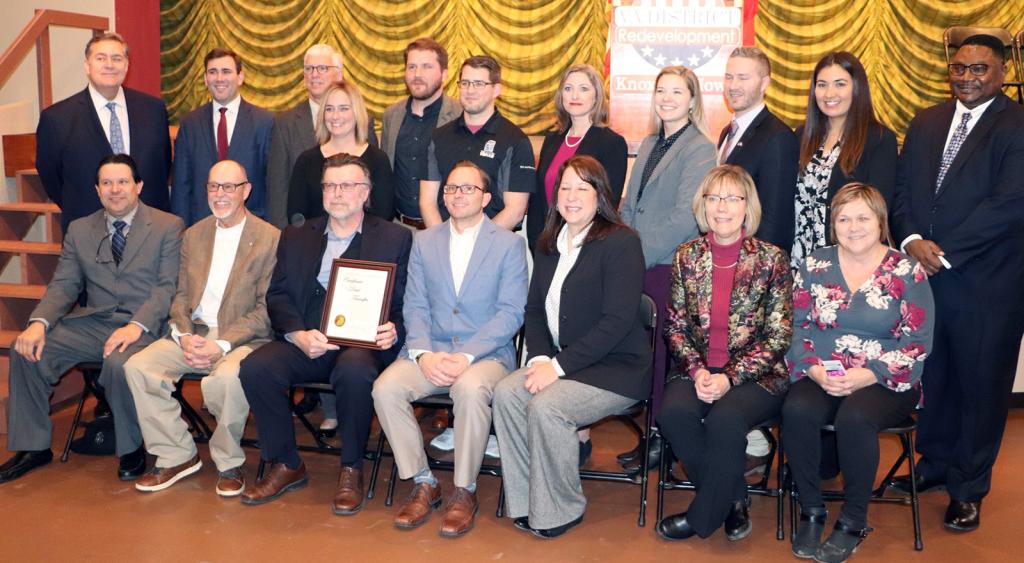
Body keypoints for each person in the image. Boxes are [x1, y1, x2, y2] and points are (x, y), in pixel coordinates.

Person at [889, 33, 1024, 533]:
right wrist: (910, 240)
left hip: (988, 286)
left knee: (980, 386)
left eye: (979, 69)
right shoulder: (926, 121)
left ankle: (969, 487)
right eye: (960, 68)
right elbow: (902, 190)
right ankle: (936, 465)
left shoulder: (1016, 124)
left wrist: (941, 252)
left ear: (1002, 71)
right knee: (938, 378)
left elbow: (1010, 205)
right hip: (926, 280)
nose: (967, 77)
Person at [237, 153, 411, 512]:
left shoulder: (395, 237)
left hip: (360, 345)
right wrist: (297, 333)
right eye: (330, 185)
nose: (337, 193)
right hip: (309, 340)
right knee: (256, 367)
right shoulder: (297, 234)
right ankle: (286, 462)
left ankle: (351, 467)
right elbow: (278, 295)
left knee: (355, 371)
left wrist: (394, 329)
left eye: (347, 185)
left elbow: (405, 300)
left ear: (365, 192)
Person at [492, 155, 651, 539]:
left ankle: (561, 507)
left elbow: (615, 324)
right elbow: (533, 311)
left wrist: (556, 368)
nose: (572, 196)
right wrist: (542, 358)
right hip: (565, 362)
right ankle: (528, 499)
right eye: (565, 187)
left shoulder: (621, 242)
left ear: (600, 196)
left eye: (583, 187)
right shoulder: (548, 243)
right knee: (507, 392)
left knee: (549, 406)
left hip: (617, 368)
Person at [0, 154, 183, 484]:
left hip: (146, 325)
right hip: (96, 322)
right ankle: (32, 447)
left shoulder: (168, 226)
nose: (115, 190)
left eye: (123, 182)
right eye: (107, 183)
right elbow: (65, 284)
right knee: (24, 349)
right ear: (97, 190)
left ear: (138, 186)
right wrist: (39, 322)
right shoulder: (80, 229)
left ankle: (131, 447)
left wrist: (134, 326)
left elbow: (167, 288)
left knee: (117, 362)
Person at [372, 161, 527, 538]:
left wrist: (466, 356)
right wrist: (424, 354)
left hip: (485, 355)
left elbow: (511, 313)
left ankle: (465, 490)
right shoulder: (424, 240)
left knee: (470, 389)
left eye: (468, 189)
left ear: (487, 198)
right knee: (385, 388)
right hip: (432, 349)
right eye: (451, 189)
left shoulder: (509, 245)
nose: (458, 195)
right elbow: (416, 306)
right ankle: (424, 481)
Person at [784, 183, 934, 562]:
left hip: (887, 377)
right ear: (832, 223)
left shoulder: (907, 270)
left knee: (855, 418)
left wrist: (870, 374)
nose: (853, 227)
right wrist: (815, 371)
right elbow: (796, 327)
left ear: (880, 221)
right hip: (823, 370)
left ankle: (853, 520)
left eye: (862, 217)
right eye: (843, 218)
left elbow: (917, 343)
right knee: (797, 410)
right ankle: (812, 510)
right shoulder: (814, 264)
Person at [655, 165, 793, 542]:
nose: (722, 207)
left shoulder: (772, 260)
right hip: (697, 368)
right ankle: (733, 498)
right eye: (714, 197)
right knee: (673, 414)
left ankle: (702, 517)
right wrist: (699, 371)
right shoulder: (686, 256)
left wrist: (729, 377)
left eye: (733, 198)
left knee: (724, 420)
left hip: (756, 377)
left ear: (748, 206)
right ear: (703, 205)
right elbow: (676, 326)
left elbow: (778, 334)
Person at [124, 160, 279, 497]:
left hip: (241, 338)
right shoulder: (193, 235)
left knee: (226, 378)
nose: (220, 194)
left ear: (246, 191)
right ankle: (177, 454)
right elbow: (180, 295)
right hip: (192, 332)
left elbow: (266, 311)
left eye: (229, 187)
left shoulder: (270, 239)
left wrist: (220, 344)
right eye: (213, 187)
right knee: (139, 367)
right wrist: (183, 335)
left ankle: (228, 462)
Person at [618, 65, 716, 471]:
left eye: (678, 91)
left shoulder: (700, 148)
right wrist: (619, 245)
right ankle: (650, 435)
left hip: (665, 266)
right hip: (635, 260)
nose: (668, 98)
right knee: (642, 353)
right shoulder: (649, 141)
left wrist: (634, 252)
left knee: (663, 357)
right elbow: (627, 202)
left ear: (692, 99)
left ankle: (662, 439)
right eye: (662, 90)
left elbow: (685, 217)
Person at [35, 32, 171, 232]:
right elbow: (51, 178)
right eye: (101, 58)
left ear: (126, 65)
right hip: (88, 231)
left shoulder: (153, 110)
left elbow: (162, 165)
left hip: (149, 231)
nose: (109, 65)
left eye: (117, 58)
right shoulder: (57, 118)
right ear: (87, 65)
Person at [791, 52, 897, 267]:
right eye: (822, 85)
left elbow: (877, 210)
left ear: (857, 88)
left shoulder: (878, 139)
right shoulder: (802, 136)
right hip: (799, 258)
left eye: (840, 84)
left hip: (850, 260)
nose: (829, 93)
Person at [265, 44, 378, 227]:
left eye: (322, 68)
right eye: (309, 69)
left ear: (339, 74)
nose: (314, 74)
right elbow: (277, 189)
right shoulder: (284, 123)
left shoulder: (362, 121)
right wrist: (283, 236)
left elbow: (374, 188)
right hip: (305, 234)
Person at [420, 55, 536, 230]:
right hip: (443, 246)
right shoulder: (438, 137)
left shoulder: (516, 141)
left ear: (496, 89)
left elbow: (515, 210)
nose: (470, 90)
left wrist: (475, 245)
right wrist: (442, 243)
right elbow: (427, 202)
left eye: (479, 84)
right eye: (465, 83)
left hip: (493, 246)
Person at [527, 63, 628, 251]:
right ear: (561, 96)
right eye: (568, 88)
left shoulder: (611, 143)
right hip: (547, 245)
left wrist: (583, 247)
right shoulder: (551, 140)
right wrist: (537, 242)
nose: (574, 96)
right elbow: (537, 199)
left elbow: (607, 205)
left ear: (596, 96)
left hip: (587, 247)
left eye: (583, 89)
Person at [170, 48, 275, 226]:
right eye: (212, 72)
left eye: (226, 71)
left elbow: (271, 183)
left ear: (240, 77)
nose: (219, 78)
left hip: (251, 226)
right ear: (205, 78)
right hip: (201, 227)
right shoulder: (190, 124)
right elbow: (181, 186)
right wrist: (181, 232)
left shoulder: (264, 122)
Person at [719, 47, 798, 252]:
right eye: (729, 77)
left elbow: (776, 217)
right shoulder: (726, 133)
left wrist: (760, 271)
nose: (733, 85)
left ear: (764, 83)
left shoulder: (778, 137)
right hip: (725, 255)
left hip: (755, 264)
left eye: (743, 78)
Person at [381, 37, 462, 229]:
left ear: (444, 74)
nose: (417, 74)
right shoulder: (391, 116)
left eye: (426, 67)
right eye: (412, 67)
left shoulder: (460, 115)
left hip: (445, 228)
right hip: (398, 227)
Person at [287, 80, 394, 222]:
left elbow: (384, 215)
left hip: (367, 242)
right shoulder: (306, 160)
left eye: (343, 108)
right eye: (329, 109)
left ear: (357, 112)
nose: (335, 116)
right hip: (316, 242)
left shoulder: (378, 159)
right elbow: (297, 216)